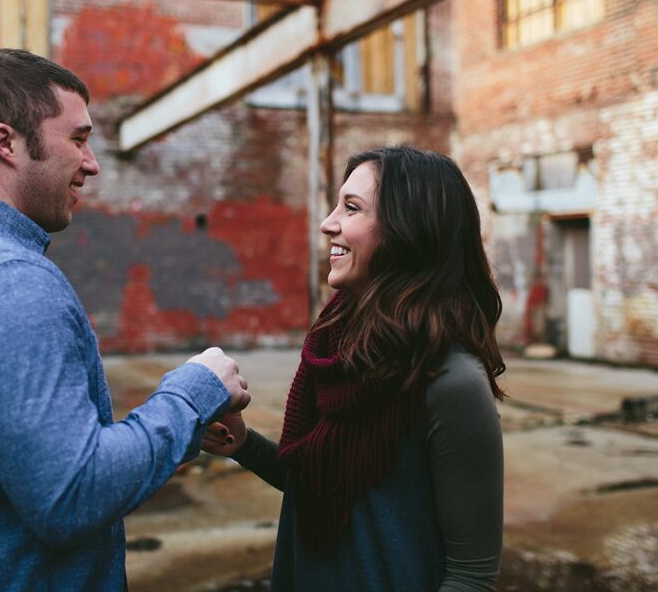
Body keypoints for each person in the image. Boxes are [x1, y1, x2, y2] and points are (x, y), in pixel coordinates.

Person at [0, 48, 250, 592]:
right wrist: (193, 394)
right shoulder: (9, 280)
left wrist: (184, 431)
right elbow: (73, 494)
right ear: (6, 143)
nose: (92, 162)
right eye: (77, 139)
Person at [203, 146, 505, 591]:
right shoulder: (337, 351)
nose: (328, 223)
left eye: (351, 207)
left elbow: (471, 575)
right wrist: (243, 443)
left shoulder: (451, 380)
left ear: (408, 231)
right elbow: (320, 485)